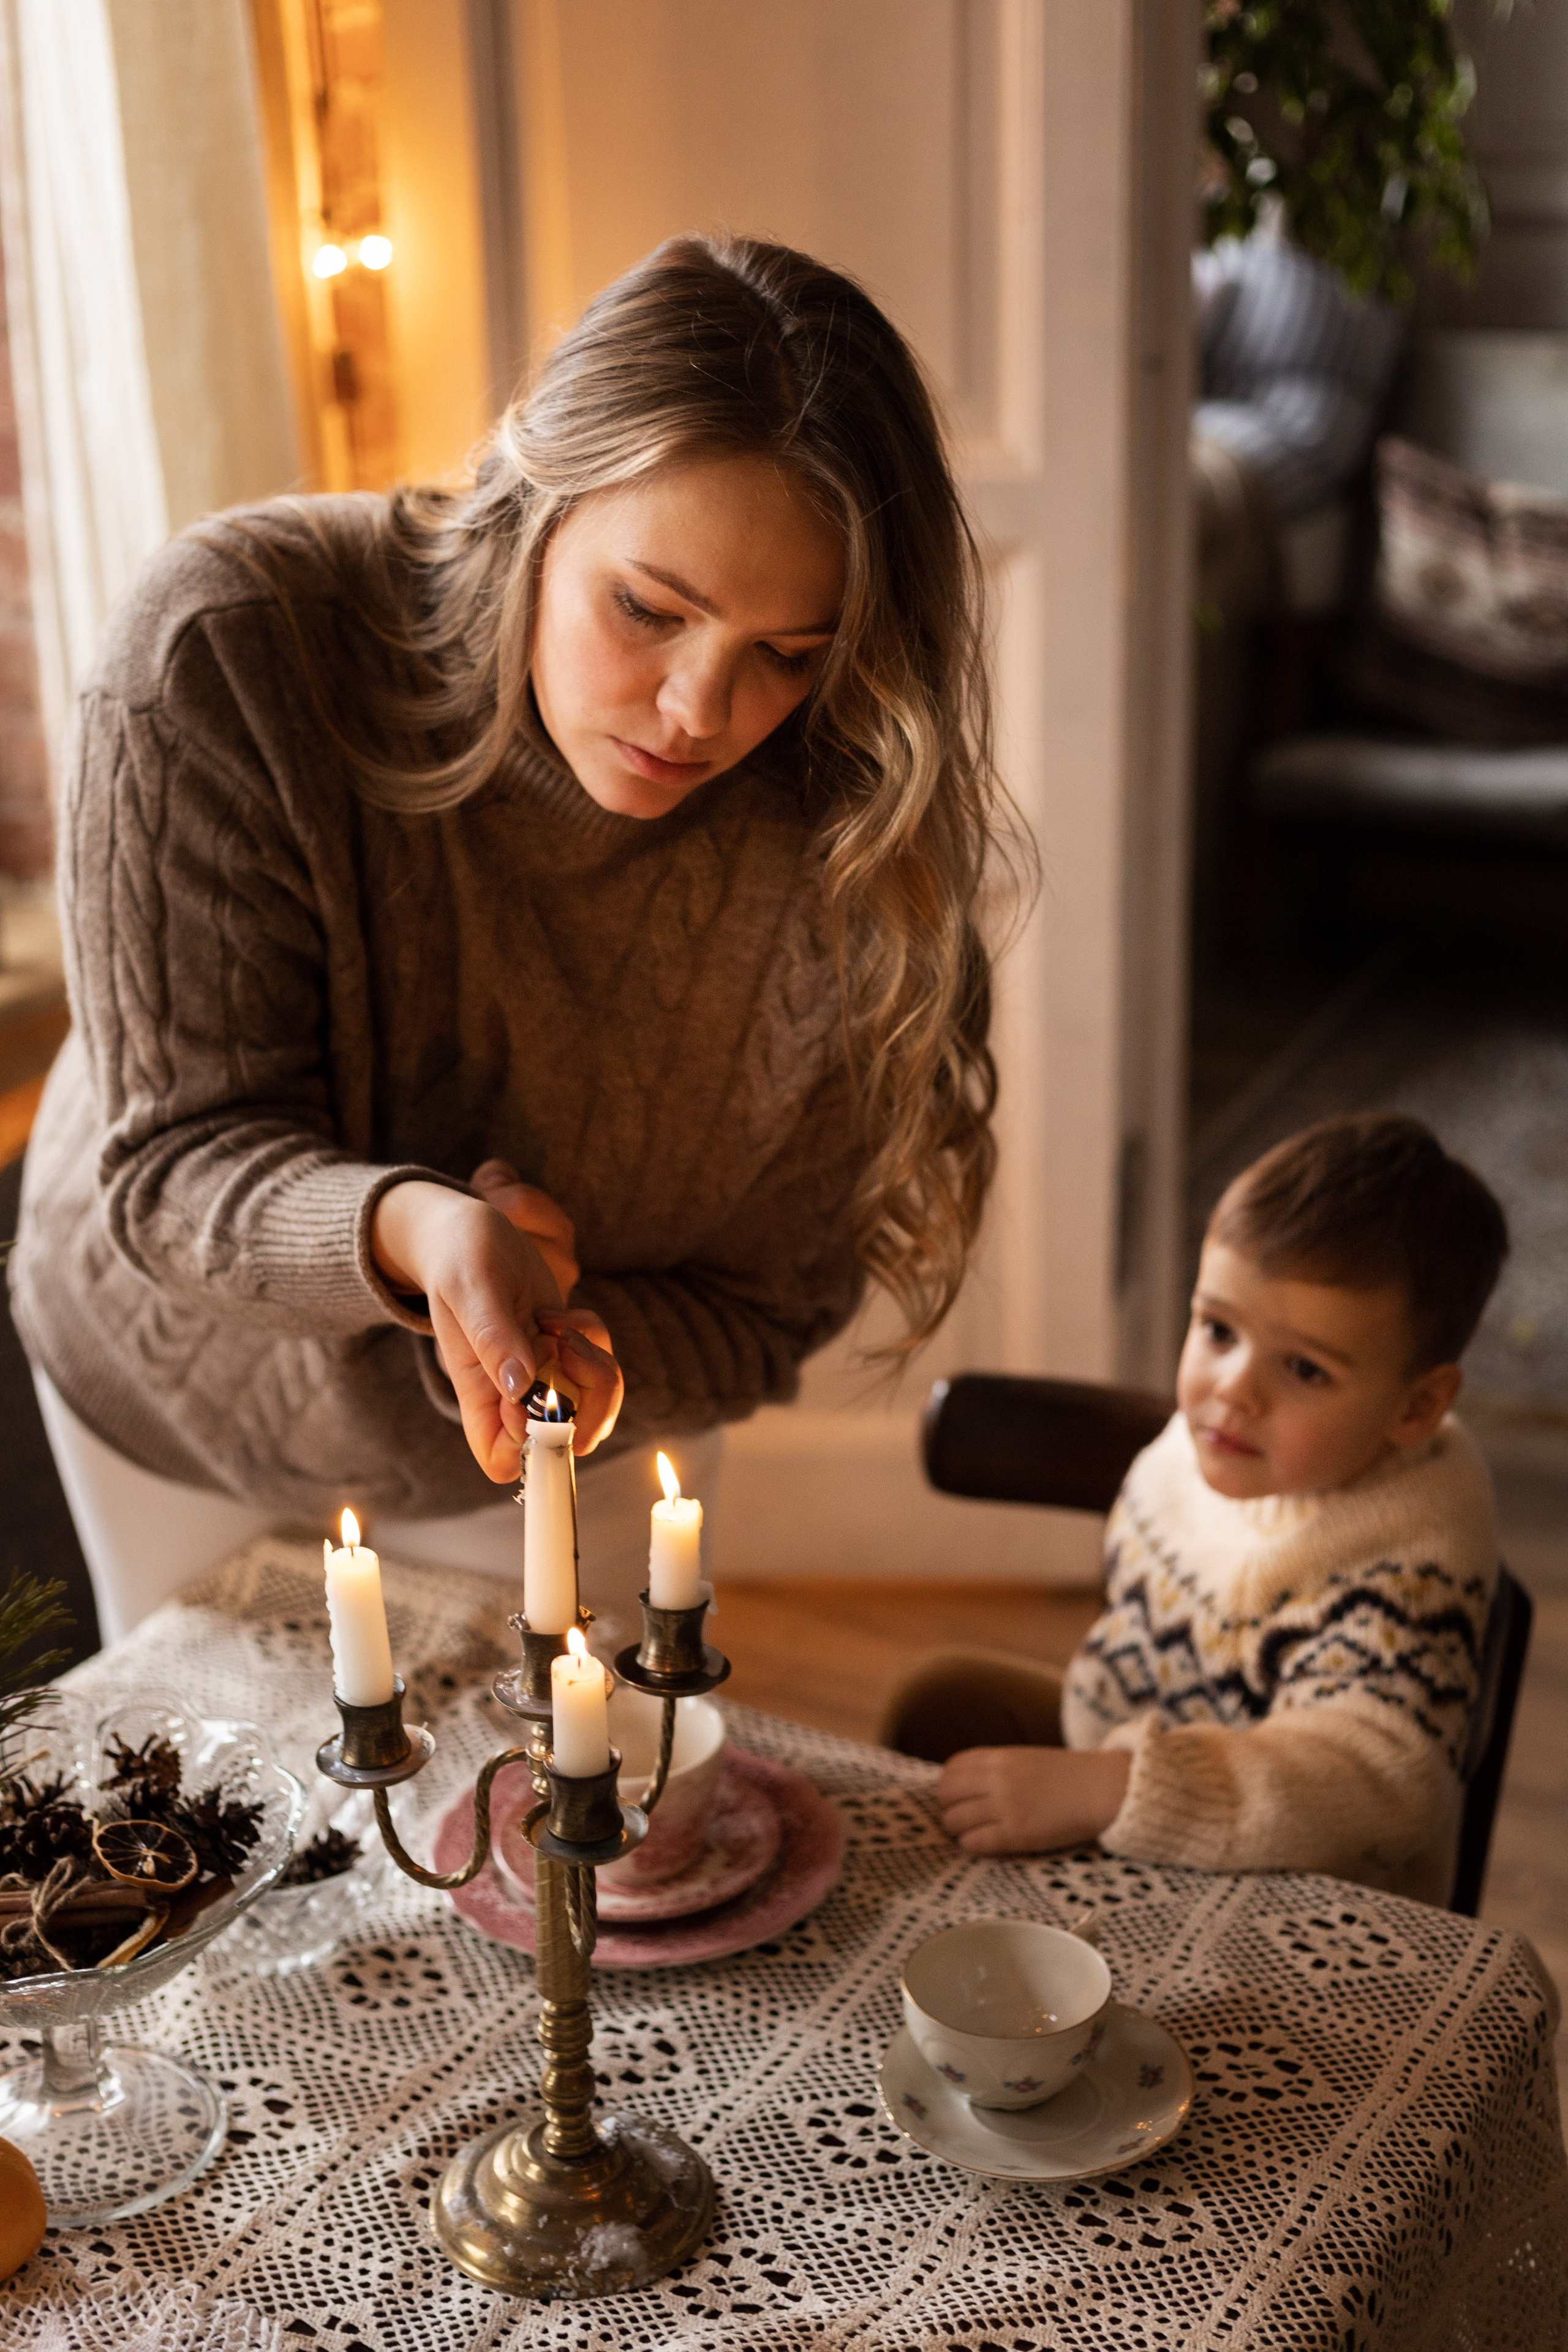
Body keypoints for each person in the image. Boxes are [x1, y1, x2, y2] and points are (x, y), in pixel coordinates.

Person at [11, 234, 1010, 1645]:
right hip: (174, 1386)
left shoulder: (850, 832)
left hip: (555, 1438)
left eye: (788, 653)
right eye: (647, 610)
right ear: (535, 499)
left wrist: (569, 1361)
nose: (696, 710)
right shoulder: (230, 647)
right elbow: (177, 1164)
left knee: (545, 1827)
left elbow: (767, 1300)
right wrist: (417, 1233)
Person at [884, 1115, 1509, 1905]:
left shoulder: (1414, 1543)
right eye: (1218, 1329)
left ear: (1416, 1407)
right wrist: (1101, 1778)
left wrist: (1114, 1791)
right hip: (1128, 1770)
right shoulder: (1209, 1442)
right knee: (936, 1701)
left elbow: (1377, 1777)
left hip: (1299, 1890)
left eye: (1305, 1370)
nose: (1233, 1390)